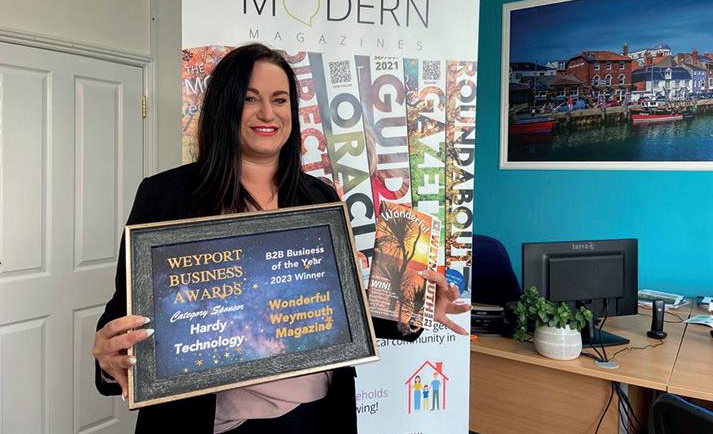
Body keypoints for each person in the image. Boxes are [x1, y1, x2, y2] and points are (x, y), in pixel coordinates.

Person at [92, 43, 470, 434]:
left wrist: (411, 308)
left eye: (279, 99)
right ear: (224, 106)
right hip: (213, 425)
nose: (267, 113)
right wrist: (109, 358)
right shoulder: (166, 196)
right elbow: (124, 315)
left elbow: (338, 309)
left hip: (317, 417)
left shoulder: (319, 197)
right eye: (250, 99)